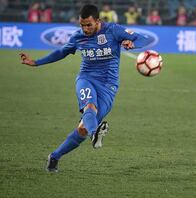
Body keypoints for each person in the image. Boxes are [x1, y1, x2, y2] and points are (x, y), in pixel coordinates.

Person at [19, 4, 152, 172]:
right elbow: (61, 52)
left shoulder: (113, 30)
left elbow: (143, 38)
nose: (85, 28)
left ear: (98, 21)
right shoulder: (78, 37)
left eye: (89, 24)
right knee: (90, 107)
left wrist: (131, 42)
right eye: (82, 25)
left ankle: (55, 157)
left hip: (108, 86)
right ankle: (95, 134)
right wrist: (36, 62)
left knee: (82, 128)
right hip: (86, 78)